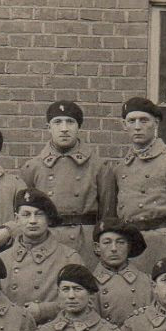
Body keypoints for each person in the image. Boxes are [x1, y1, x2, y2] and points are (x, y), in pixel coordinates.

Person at [107, 97, 166, 268]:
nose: (137, 126)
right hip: (131, 249)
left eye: (144, 120)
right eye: (131, 121)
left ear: (156, 123)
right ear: (124, 125)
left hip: (165, 247)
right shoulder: (120, 168)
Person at [19, 100, 116, 267]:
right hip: (46, 240)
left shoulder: (99, 167)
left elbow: (108, 215)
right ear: (48, 127)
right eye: (57, 122)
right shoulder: (32, 167)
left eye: (70, 122)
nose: (64, 128)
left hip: (85, 242)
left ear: (79, 127)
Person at [1, 189, 86, 325]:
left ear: (49, 219)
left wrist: (44, 310)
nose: (33, 221)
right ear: (17, 219)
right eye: (26, 215)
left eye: (39, 215)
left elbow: (88, 303)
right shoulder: (2, 259)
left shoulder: (69, 258)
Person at [91, 220, 152, 325]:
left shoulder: (147, 281)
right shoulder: (89, 284)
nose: (114, 248)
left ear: (129, 247)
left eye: (120, 242)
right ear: (97, 247)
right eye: (107, 242)